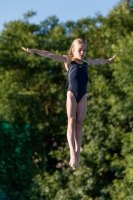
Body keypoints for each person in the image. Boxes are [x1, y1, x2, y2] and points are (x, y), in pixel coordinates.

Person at [21, 38, 116, 170]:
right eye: (79, 50)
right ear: (73, 50)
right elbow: (49, 54)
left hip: (83, 95)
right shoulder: (68, 60)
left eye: (84, 50)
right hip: (71, 94)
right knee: (71, 121)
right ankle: (72, 152)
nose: (82, 52)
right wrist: (34, 51)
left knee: (79, 123)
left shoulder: (86, 62)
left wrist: (108, 61)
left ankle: (78, 152)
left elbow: (99, 61)